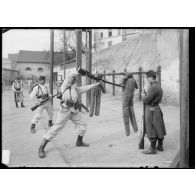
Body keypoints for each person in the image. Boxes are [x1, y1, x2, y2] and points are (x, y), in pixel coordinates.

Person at [38, 72, 100, 158]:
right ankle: (41, 147)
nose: (74, 79)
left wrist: (93, 85)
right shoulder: (65, 85)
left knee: (83, 125)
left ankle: (79, 142)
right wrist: (79, 72)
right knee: (56, 128)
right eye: (73, 78)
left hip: (74, 110)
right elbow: (69, 77)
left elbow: (83, 88)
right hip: (65, 110)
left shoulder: (74, 87)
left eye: (75, 78)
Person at [141, 70, 166, 154]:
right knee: (158, 126)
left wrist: (143, 95)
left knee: (151, 127)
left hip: (151, 109)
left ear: (151, 77)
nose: (147, 79)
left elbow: (146, 100)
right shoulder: (156, 85)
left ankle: (152, 148)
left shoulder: (153, 87)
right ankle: (160, 145)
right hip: (155, 108)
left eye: (147, 78)